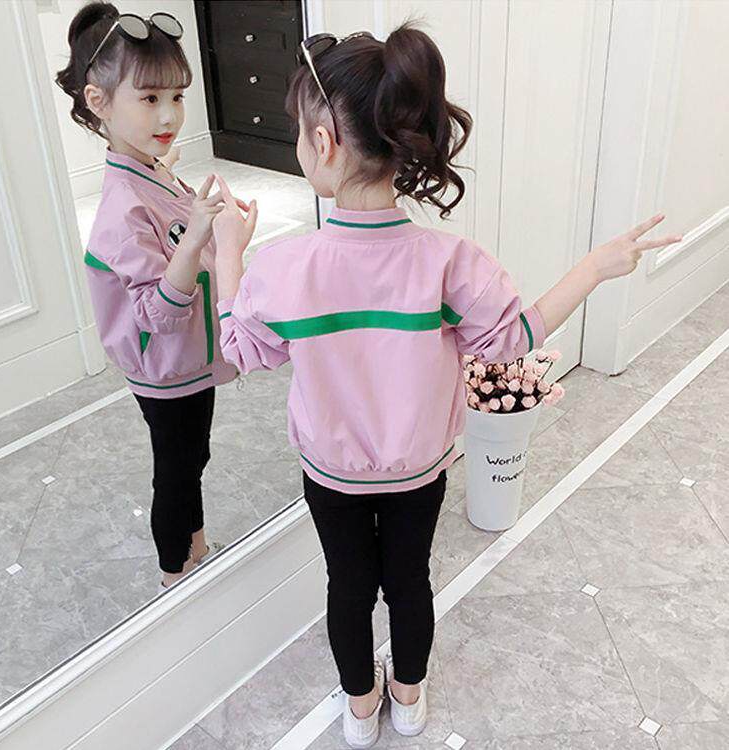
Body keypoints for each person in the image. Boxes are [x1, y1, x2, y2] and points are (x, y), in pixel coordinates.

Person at [210, 24, 681, 749]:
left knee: (346, 587)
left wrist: (227, 256)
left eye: (299, 132)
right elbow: (512, 342)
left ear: (323, 144)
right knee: (409, 582)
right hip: (420, 471)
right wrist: (592, 268)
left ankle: (360, 708)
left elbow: (240, 350)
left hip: (332, 475)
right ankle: (407, 696)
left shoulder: (285, 270)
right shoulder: (450, 262)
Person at [56, 2, 244, 591]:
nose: (169, 115)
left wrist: (217, 229)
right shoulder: (121, 209)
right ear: (98, 102)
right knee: (178, 471)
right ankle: (173, 578)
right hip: (165, 369)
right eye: (149, 98)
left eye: (177, 96)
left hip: (187, 362)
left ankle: (196, 548)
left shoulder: (154, 170)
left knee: (192, 460)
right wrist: (201, 239)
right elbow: (156, 314)